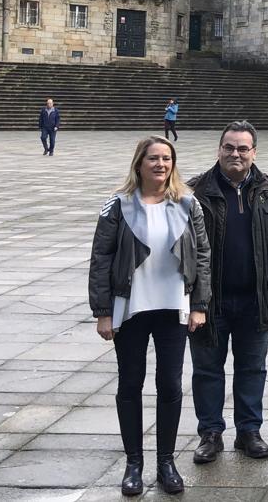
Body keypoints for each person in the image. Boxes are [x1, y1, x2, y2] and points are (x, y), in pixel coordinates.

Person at [88, 135, 210, 496]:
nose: (160, 164)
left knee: (170, 385)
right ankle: (134, 464)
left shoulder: (188, 204)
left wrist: (200, 305)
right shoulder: (118, 205)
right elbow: (101, 259)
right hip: (131, 307)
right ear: (139, 163)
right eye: (153, 158)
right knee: (130, 384)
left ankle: (166, 463)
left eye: (166, 158)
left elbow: (202, 256)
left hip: (173, 306)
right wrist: (102, 312)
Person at [187, 121, 268, 464]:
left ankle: (249, 431)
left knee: (253, 368)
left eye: (242, 148)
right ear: (219, 149)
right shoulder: (196, 190)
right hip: (210, 301)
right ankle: (210, 432)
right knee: (207, 369)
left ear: (254, 152)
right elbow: (182, 248)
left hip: (256, 297)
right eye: (229, 147)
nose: (235, 154)